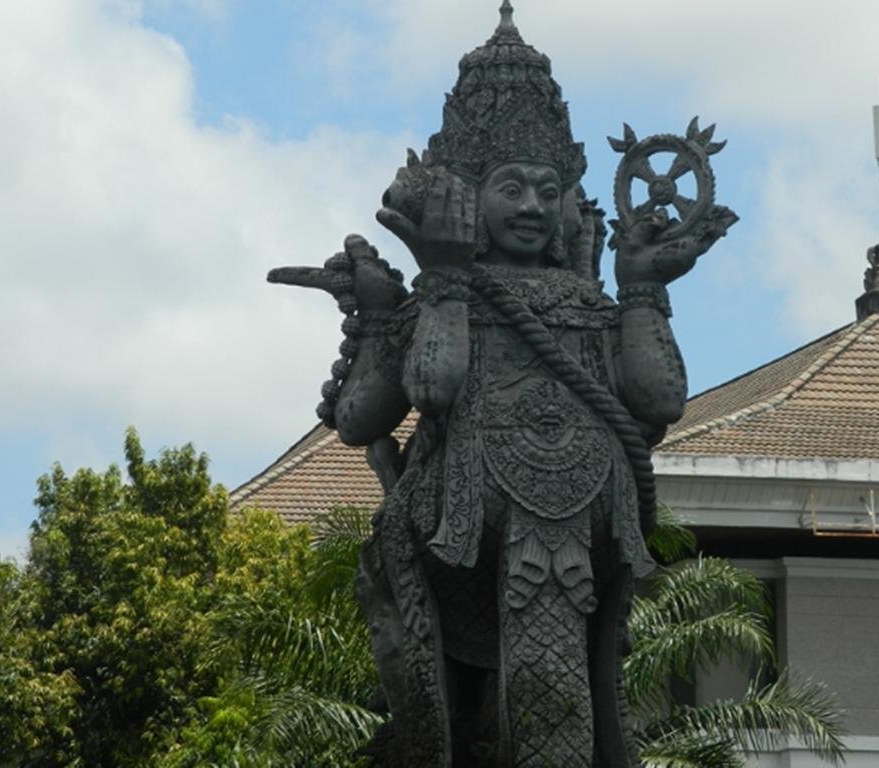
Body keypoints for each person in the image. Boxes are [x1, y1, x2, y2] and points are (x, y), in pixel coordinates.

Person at [306, 4, 735, 765]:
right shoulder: (446, 296)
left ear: (570, 197)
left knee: (556, 707)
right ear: (468, 194)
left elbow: (659, 401)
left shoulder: (590, 306)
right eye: (511, 187)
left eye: (547, 189)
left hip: (576, 529)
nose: (533, 207)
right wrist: (411, 293)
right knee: (464, 721)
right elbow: (405, 401)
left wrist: (640, 290)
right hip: (459, 534)